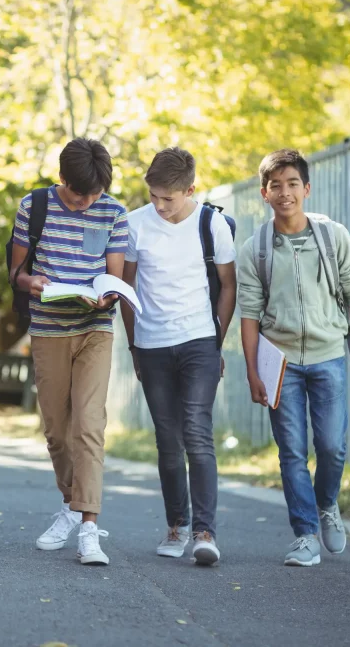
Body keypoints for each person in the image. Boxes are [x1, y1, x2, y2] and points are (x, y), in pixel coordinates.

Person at [237, 148, 350, 566]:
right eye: (275, 185)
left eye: (292, 183)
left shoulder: (333, 237)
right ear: (264, 193)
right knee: (291, 450)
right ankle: (305, 535)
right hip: (281, 365)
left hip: (330, 355)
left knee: (331, 447)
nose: (284, 192)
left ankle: (326, 504)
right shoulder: (255, 248)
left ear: (306, 189)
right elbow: (248, 313)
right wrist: (252, 372)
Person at [8, 138, 128, 566]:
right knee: (57, 431)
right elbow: (17, 272)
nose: (87, 202)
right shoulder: (33, 207)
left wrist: (107, 297)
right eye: (80, 195)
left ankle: (89, 528)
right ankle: (70, 503)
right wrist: (32, 283)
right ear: (62, 180)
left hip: (95, 328)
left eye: (95, 194)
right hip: (48, 329)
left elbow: (113, 277)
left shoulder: (113, 212)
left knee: (89, 425)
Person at [121, 147, 235, 566]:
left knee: (196, 433)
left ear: (191, 189)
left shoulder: (212, 223)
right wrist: (134, 346)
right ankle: (177, 525)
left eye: (168, 198)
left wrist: (215, 341)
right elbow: (126, 292)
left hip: (199, 342)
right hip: (151, 346)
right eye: (153, 196)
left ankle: (205, 532)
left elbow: (228, 286)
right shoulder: (135, 225)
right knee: (167, 441)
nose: (159, 205)